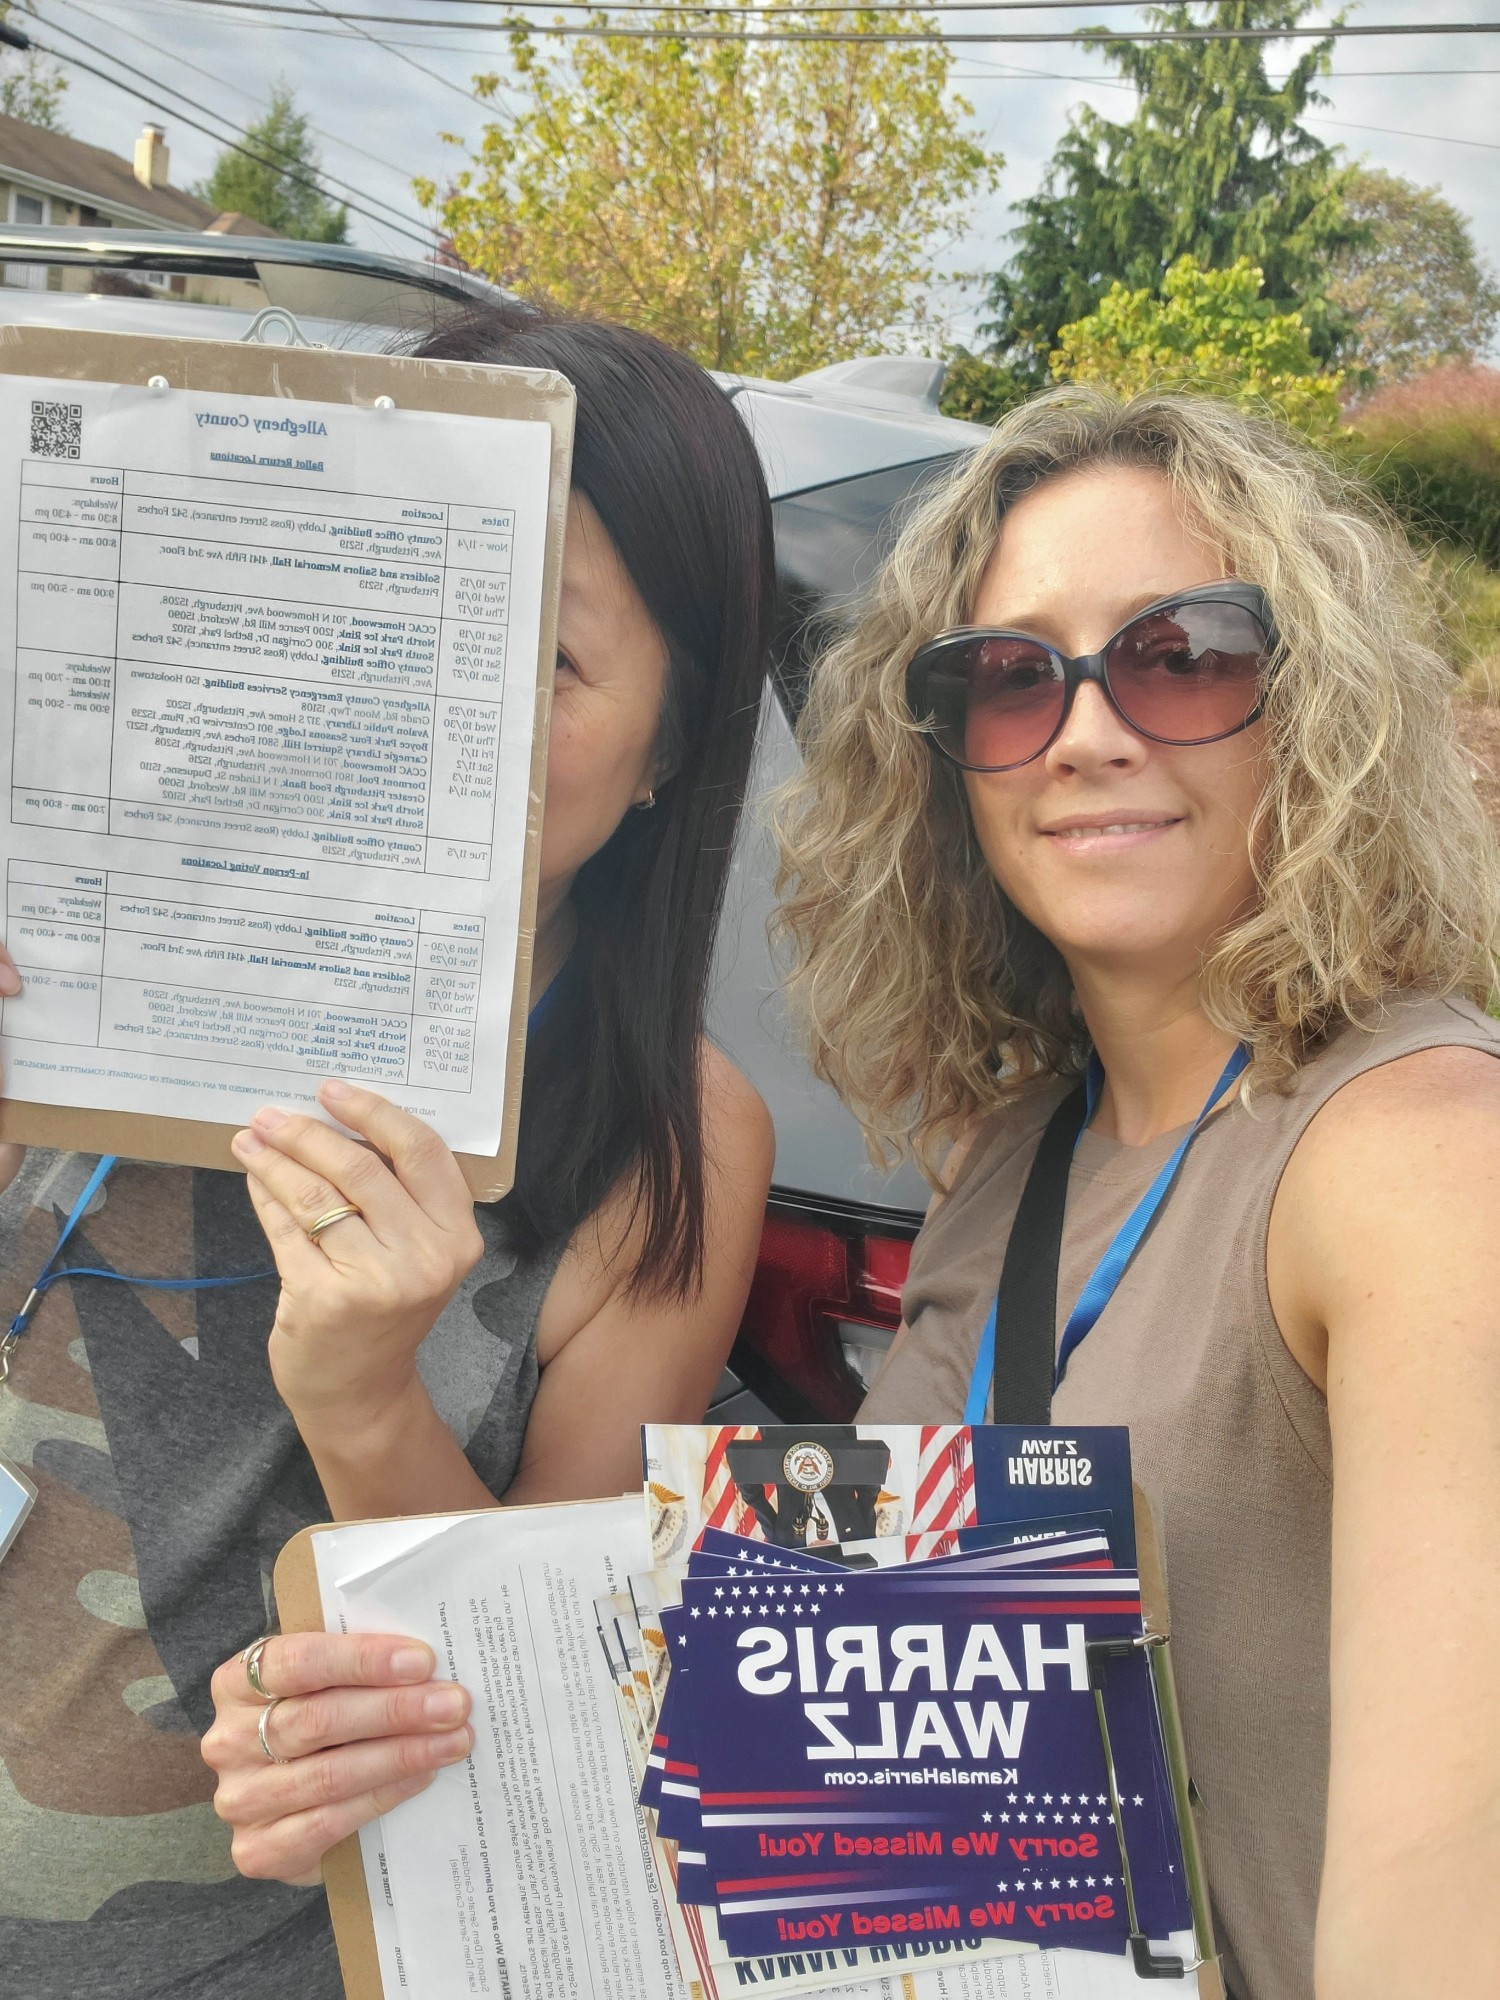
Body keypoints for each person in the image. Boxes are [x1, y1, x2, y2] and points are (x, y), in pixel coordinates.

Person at [0, 303, 775, 1997]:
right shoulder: (44, 952)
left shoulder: (674, 1151)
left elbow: (536, 1708)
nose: (438, 702)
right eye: (397, 601)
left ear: (669, 749)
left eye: (545, 659)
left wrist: (366, 1396)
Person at [771, 389, 1500, 2000]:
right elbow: (842, 1702)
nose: (1089, 730)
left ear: (1314, 707)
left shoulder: (1423, 1158)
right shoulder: (1014, 1159)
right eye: (1009, 678)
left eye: (1185, 655)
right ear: (948, 771)